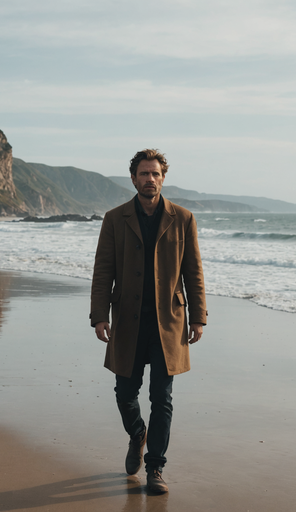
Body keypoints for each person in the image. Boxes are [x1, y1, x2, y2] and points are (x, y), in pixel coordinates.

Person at [90, 149, 207, 493]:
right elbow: (103, 271)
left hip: (168, 322)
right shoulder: (115, 218)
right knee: (125, 393)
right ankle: (137, 432)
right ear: (133, 178)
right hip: (127, 320)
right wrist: (99, 316)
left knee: (163, 396)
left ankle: (155, 467)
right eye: (144, 173)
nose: (149, 179)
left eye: (155, 174)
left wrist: (198, 317)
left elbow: (193, 271)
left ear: (163, 178)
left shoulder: (183, 218)